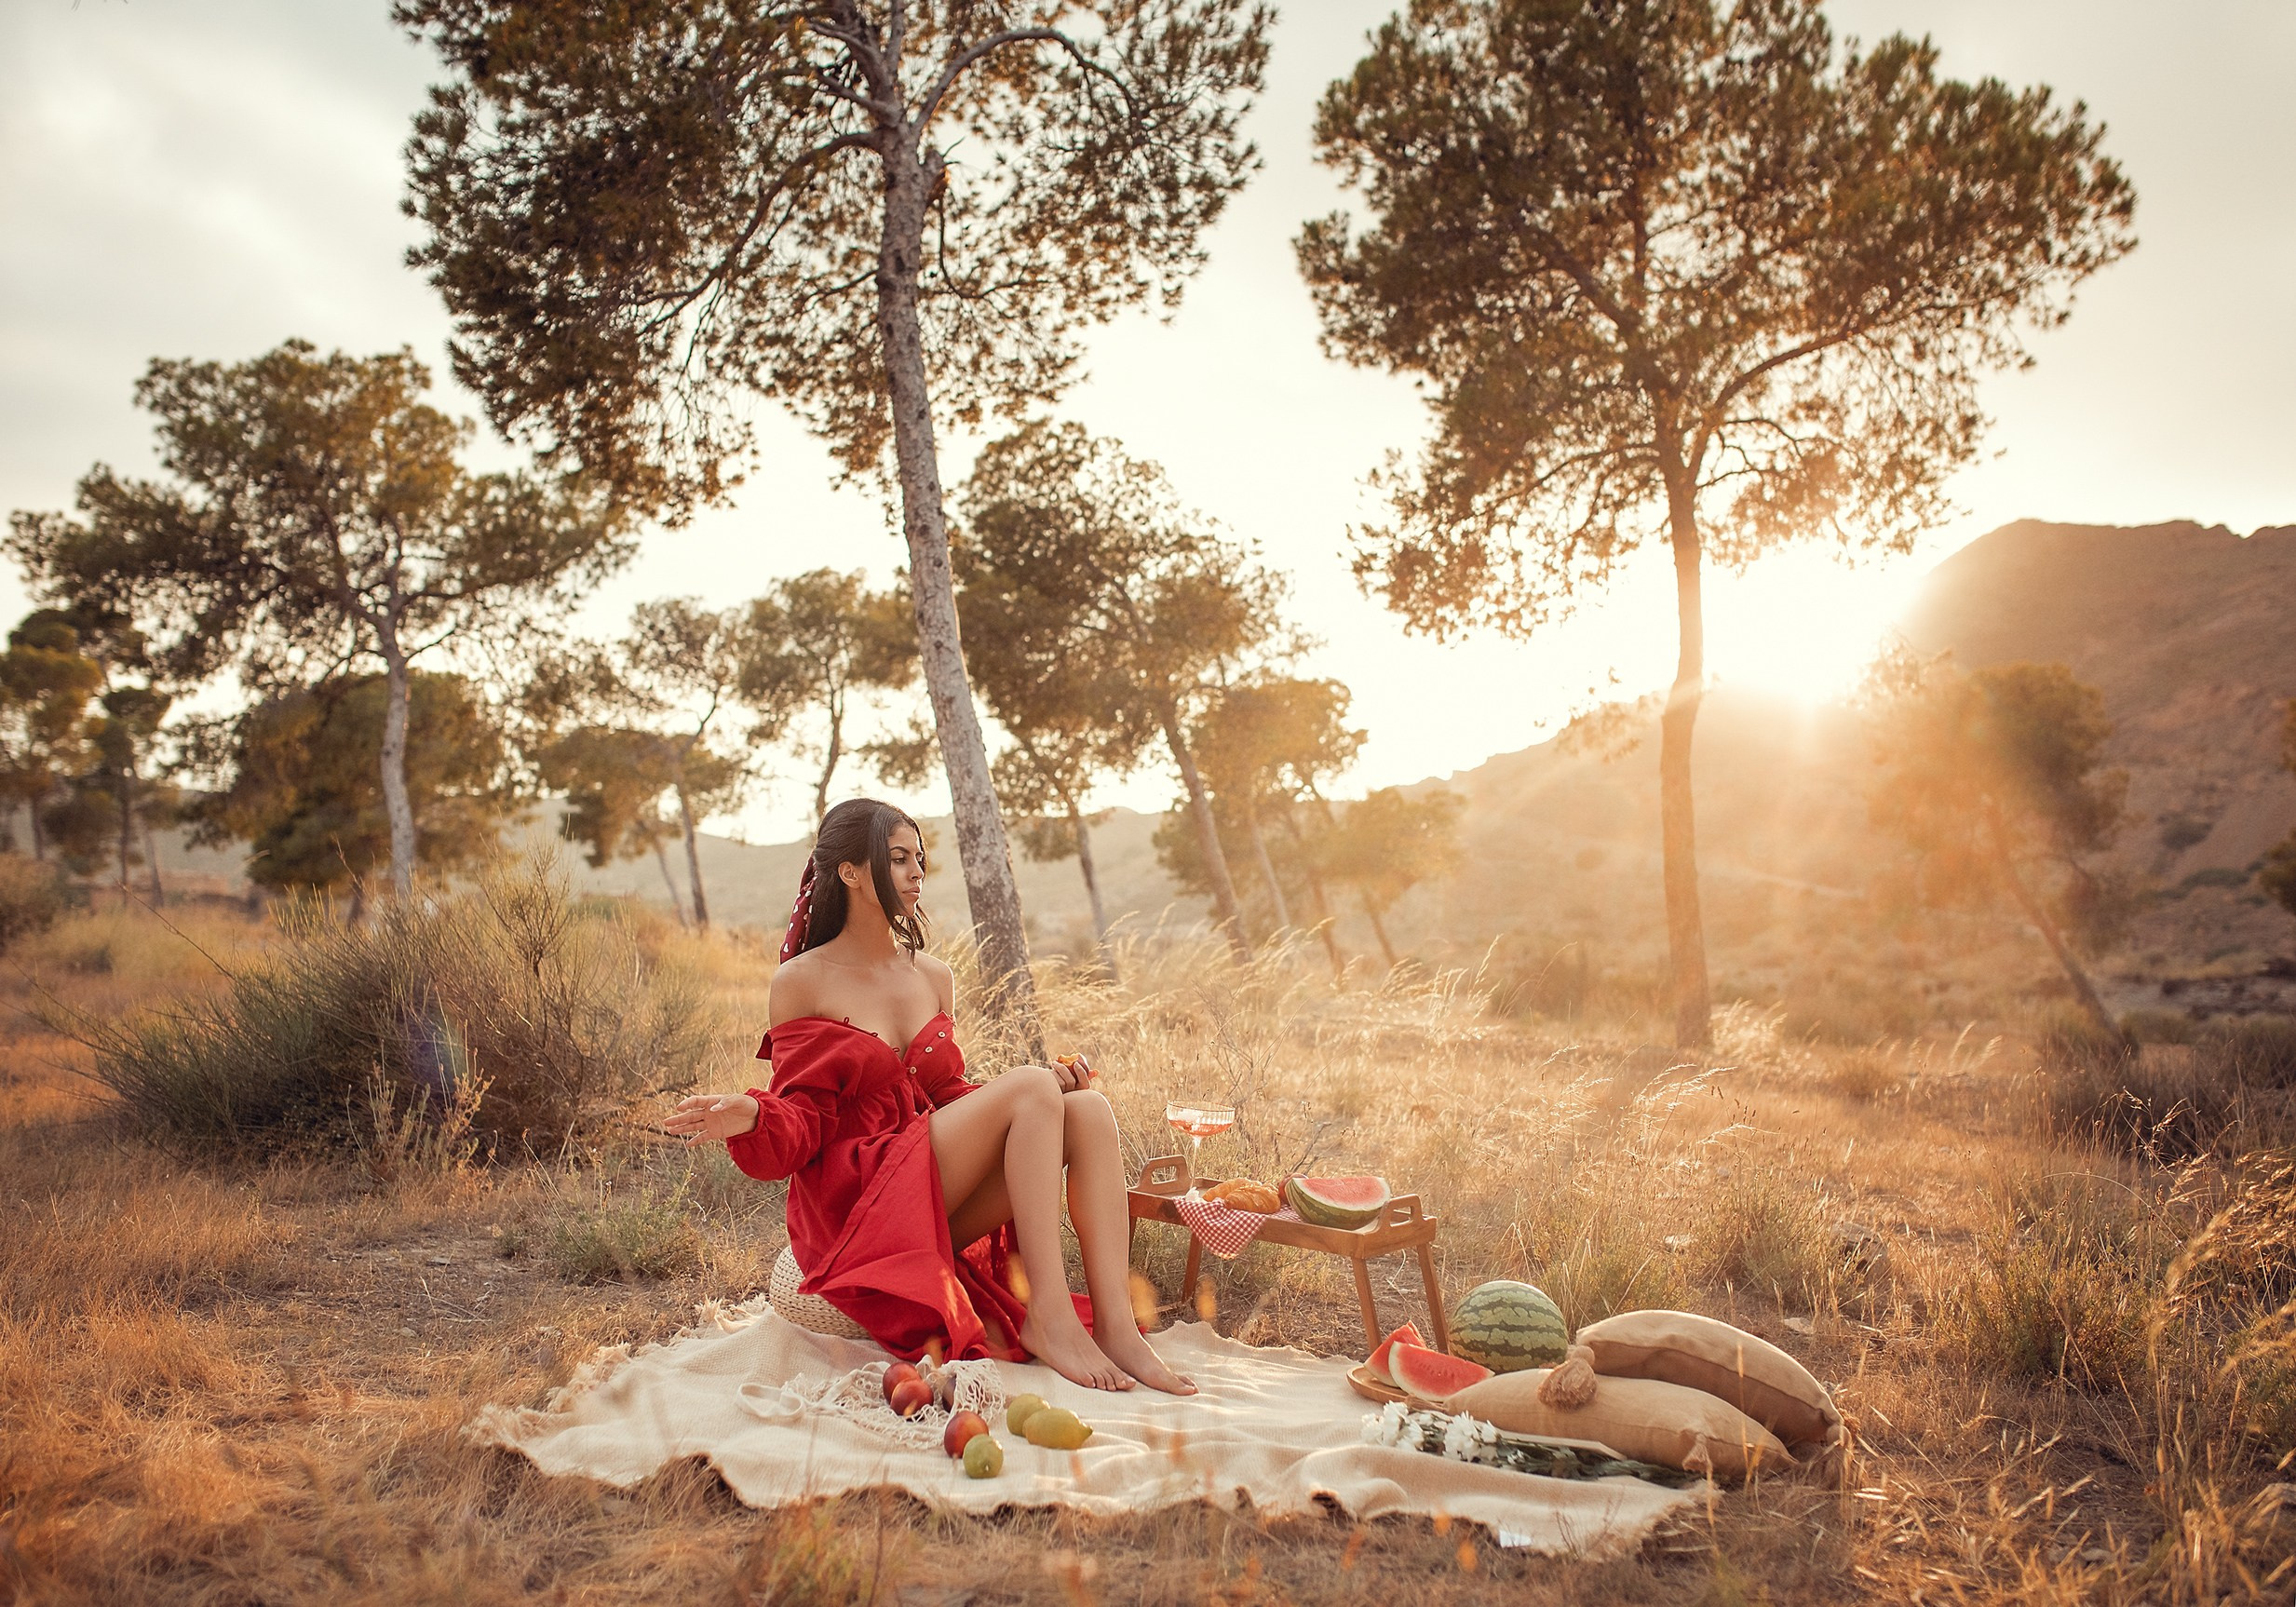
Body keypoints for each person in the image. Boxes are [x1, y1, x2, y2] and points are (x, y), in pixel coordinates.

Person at [664, 798, 1193, 1395]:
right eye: (898, 859)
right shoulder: (801, 980)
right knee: (1032, 1088)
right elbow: (808, 1117)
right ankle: (1049, 1316)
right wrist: (754, 1112)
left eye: (920, 858)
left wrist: (1042, 1088)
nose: (917, 872)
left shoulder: (933, 976)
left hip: (928, 1187)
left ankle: (1117, 1326)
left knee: (1088, 1111)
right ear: (850, 872)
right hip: (858, 1202)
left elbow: (946, 1096)